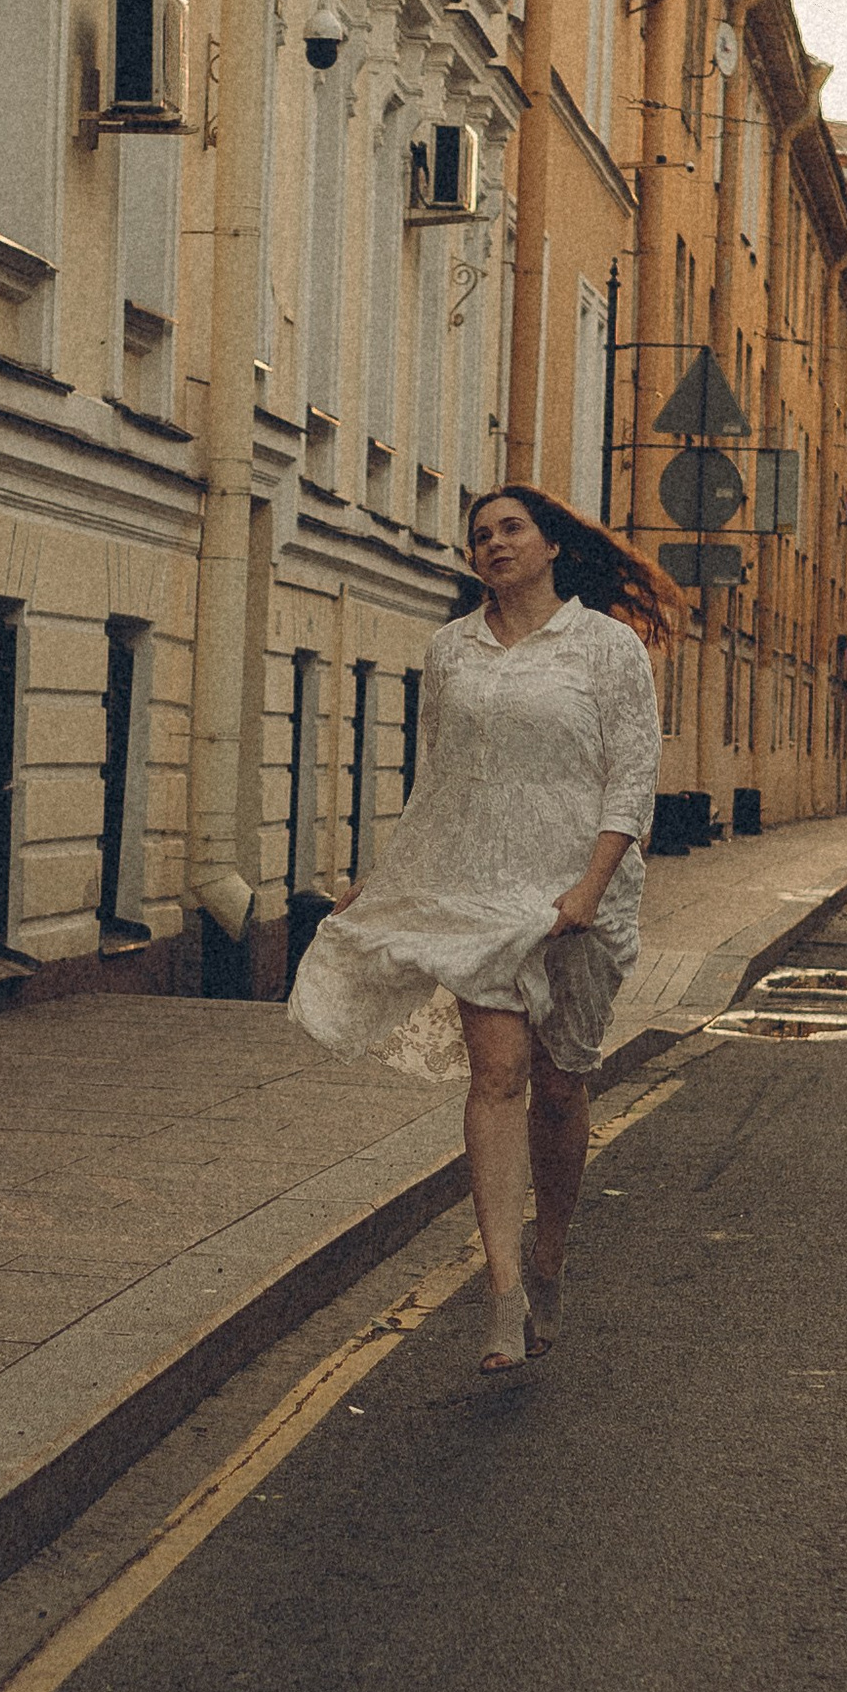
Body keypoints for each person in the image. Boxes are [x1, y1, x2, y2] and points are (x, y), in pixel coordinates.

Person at [290, 484, 675, 1372]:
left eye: (512, 529)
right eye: (480, 536)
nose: (495, 543)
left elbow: (633, 778)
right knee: (497, 1074)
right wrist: (385, 879)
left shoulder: (607, 647)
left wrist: (590, 886)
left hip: (575, 896)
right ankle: (502, 1293)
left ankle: (549, 1255)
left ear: (551, 546)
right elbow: (438, 781)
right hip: (476, 887)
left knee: (562, 1086)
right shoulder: (450, 651)